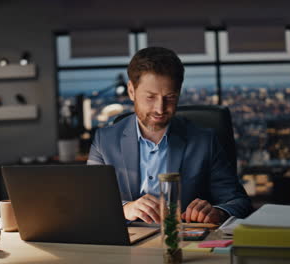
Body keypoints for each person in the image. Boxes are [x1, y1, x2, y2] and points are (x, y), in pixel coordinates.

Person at [87, 47, 252, 224]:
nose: (160, 108)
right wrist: (125, 208)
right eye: (150, 97)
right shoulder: (105, 140)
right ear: (131, 91)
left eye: (170, 97)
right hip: (128, 244)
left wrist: (217, 212)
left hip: (183, 242)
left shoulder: (204, 141)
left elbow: (239, 202)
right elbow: (89, 203)